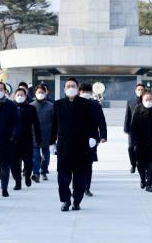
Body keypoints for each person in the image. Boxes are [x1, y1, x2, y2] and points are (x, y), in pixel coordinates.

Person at [50, 78, 96, 212]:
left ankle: (77, 200)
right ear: (64, 89)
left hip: (81, 147)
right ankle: (65, 200)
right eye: (68, 86)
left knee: (80, 178)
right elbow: (53, 125)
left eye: (73, 86)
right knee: (63, 178)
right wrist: (51, 142)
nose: (71, 88)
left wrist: (93, 137)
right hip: (64, 146)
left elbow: (92, 123)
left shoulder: (86, 104)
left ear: (77, 88)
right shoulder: (58, 104)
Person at [79, 83, 107, 197]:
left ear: (91, 93)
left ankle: (87, 187)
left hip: (92, 139)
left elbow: (101, 121)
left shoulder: (95, 105)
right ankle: (78, 186)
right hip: (76, 138)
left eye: (87, 91)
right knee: (76, 163)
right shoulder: (74, 104)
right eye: (83, 91)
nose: (85, 93)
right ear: (79, 92)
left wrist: (103, 135)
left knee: (88, 164)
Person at [11, 88, 41, 190]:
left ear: (25, 96)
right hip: (13, 140)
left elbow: (36, 124)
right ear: (15, 96)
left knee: (28, 162)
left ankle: (28, 175)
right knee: (14, 163)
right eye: (18, 94)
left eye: (22, 95)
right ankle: (18, 182)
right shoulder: (11, 107)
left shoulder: (31, 108)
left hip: (27, 139)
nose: (20, 96)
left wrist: (38, 137)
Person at [130, 92, 152, 192]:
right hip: (140, 141)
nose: (149, 101)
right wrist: (134, 141)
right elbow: (133, 126)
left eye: (150, 99)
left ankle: (149, 184)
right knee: (140, 163)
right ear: (142, 101)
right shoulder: (138, 109)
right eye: (146, 99)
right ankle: (142, 179)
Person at [30, 85, 54, 182]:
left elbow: (54, 121)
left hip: (46, 135)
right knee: (35, 156)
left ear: (45, 93)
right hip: (34, 135)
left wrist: (53, 135)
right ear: (35, 93)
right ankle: (36, 173)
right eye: (38, 92)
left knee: (46, 156)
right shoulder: (31, 106)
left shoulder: (51, 106)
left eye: (42, 92)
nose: (40, 94)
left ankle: (44, 171)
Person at [124, 84, 146, 173]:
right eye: (138, 89)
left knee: (143, 148)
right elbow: (127, 115)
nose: (140, 91)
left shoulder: (147, 100)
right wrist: (126, 128)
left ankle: (143, 165)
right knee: (131, 147)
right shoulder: (130, 101)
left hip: (144, 129)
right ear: (135, 90)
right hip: (133, 129)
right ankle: (133, 164)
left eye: (142, 89)